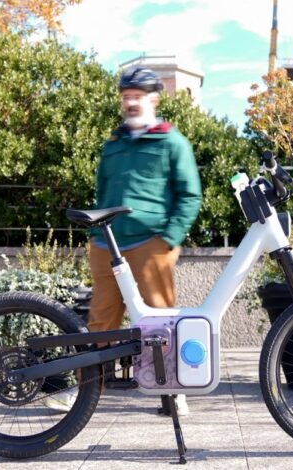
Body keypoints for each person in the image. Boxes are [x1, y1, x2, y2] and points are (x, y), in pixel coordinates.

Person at [87, 67, 202, 416]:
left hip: (150, 244)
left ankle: (173, 392)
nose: (131, 102)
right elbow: (101, 192)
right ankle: (85, 393)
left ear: (153, 98)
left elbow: (190, 195)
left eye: (137, 96)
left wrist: (169, 239)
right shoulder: (113, 144)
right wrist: (95, 235)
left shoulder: (171, 141)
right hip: (107, 244)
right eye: (126, 97)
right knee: (100, 323)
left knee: (159, 322)